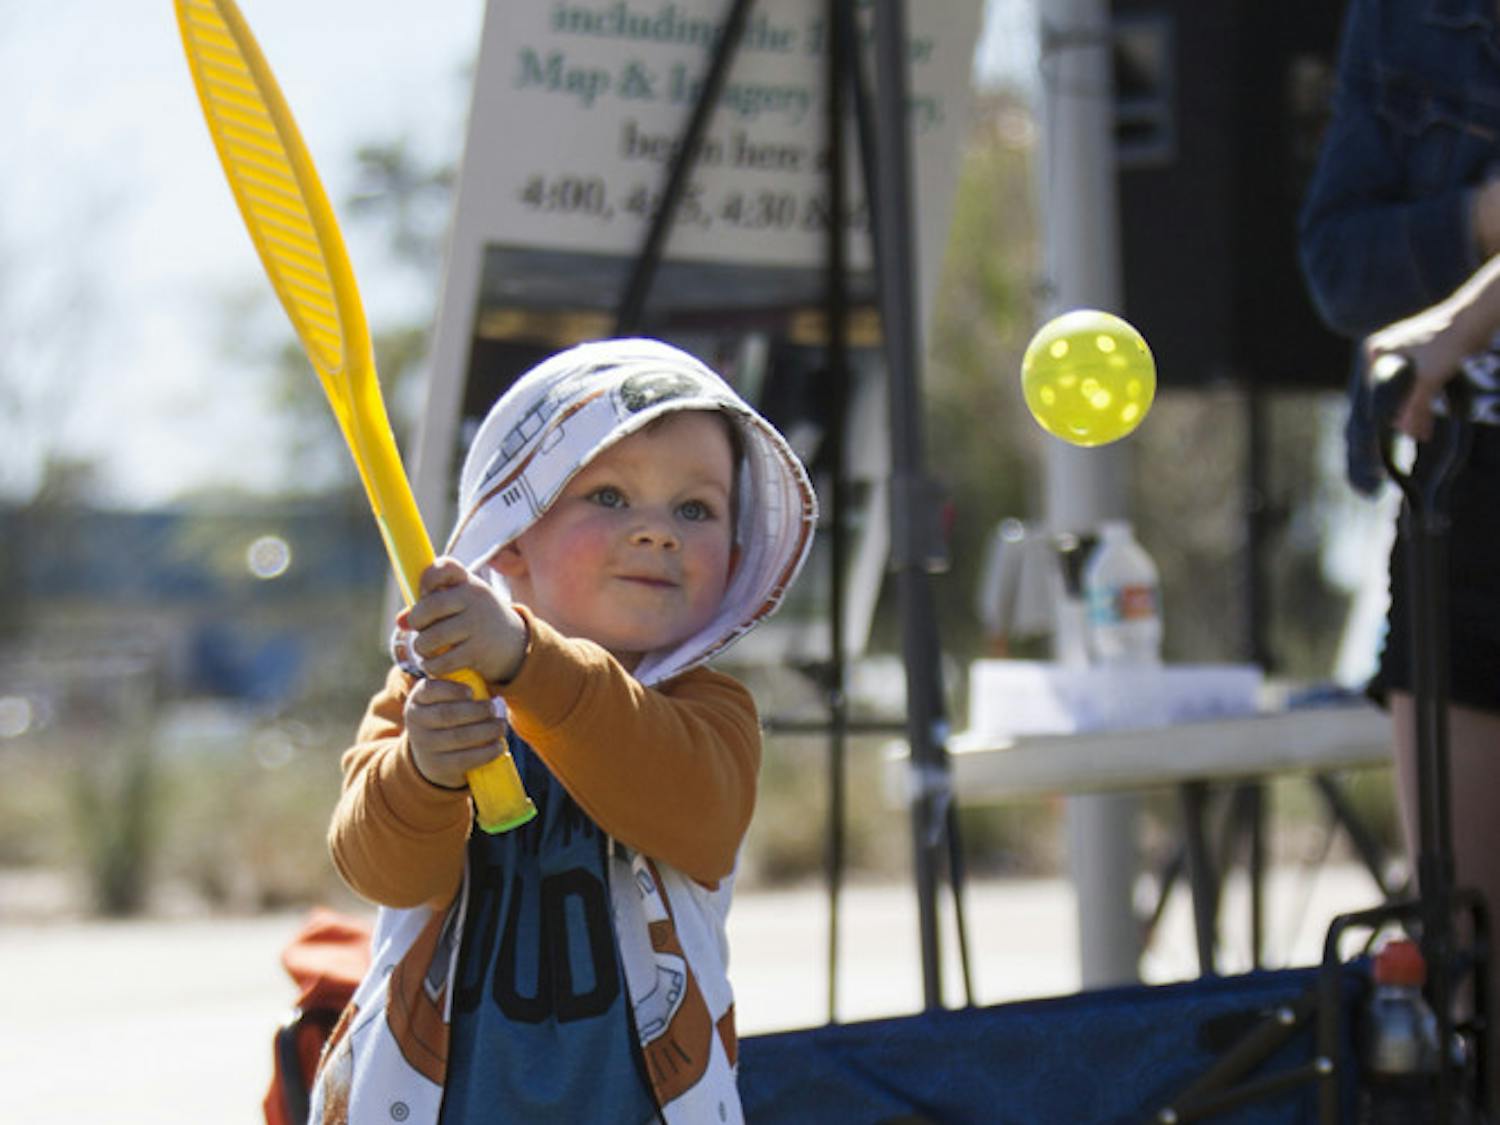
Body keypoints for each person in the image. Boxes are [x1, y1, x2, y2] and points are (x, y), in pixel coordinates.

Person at [306, 338, 817, 1125]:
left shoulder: (710, 712)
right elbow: (379, 868)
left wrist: (522, 656)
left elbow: (691, 808)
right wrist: (423, 769)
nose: (658, 532)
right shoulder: (431, 689)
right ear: (511, 535)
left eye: (696, 508)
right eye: (610, 496)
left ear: (736, 557)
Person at [1299, 0, 1500, 1106]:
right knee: (1461, 982)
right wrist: (1477, 219)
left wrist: (1460, 320)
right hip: (1463, 496)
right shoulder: (1409, 16)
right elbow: (1339, 269)